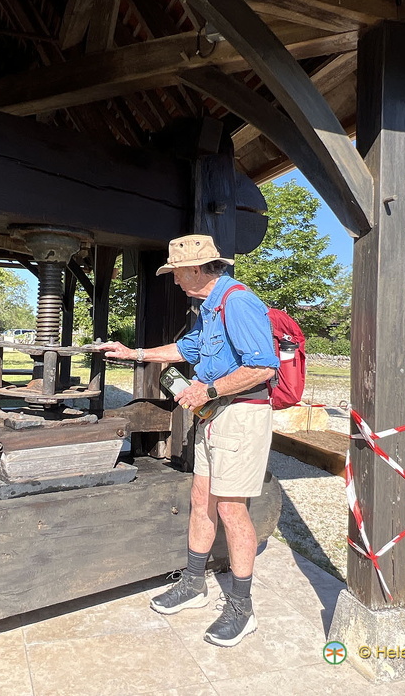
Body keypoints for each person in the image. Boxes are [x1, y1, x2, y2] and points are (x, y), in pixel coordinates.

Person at [99, 234, 278, 647]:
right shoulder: (210, 308)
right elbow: (186, 349)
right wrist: (133, 354)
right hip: (214, 415)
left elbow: (262, 368)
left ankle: (242, 609)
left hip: (240, 416)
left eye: (177, 273)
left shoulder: (238, 302)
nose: (175, 281)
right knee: (202, 499)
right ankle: (195, 585)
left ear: (195, 269)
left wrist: (208, 391)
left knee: (232, 509)